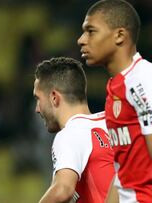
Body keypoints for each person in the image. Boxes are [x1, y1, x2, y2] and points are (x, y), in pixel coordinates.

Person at [77, 1, 152, 202]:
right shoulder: (116, 88)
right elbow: (122, 168)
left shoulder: (144, 80)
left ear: (119, 35)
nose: (81, 40)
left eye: (91, 31)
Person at [33, 57, 114, 203]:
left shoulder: (70, 134)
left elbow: (63, 190)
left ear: (54, 97)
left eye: (38, 99)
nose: (37, 109)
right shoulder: (113, 122)